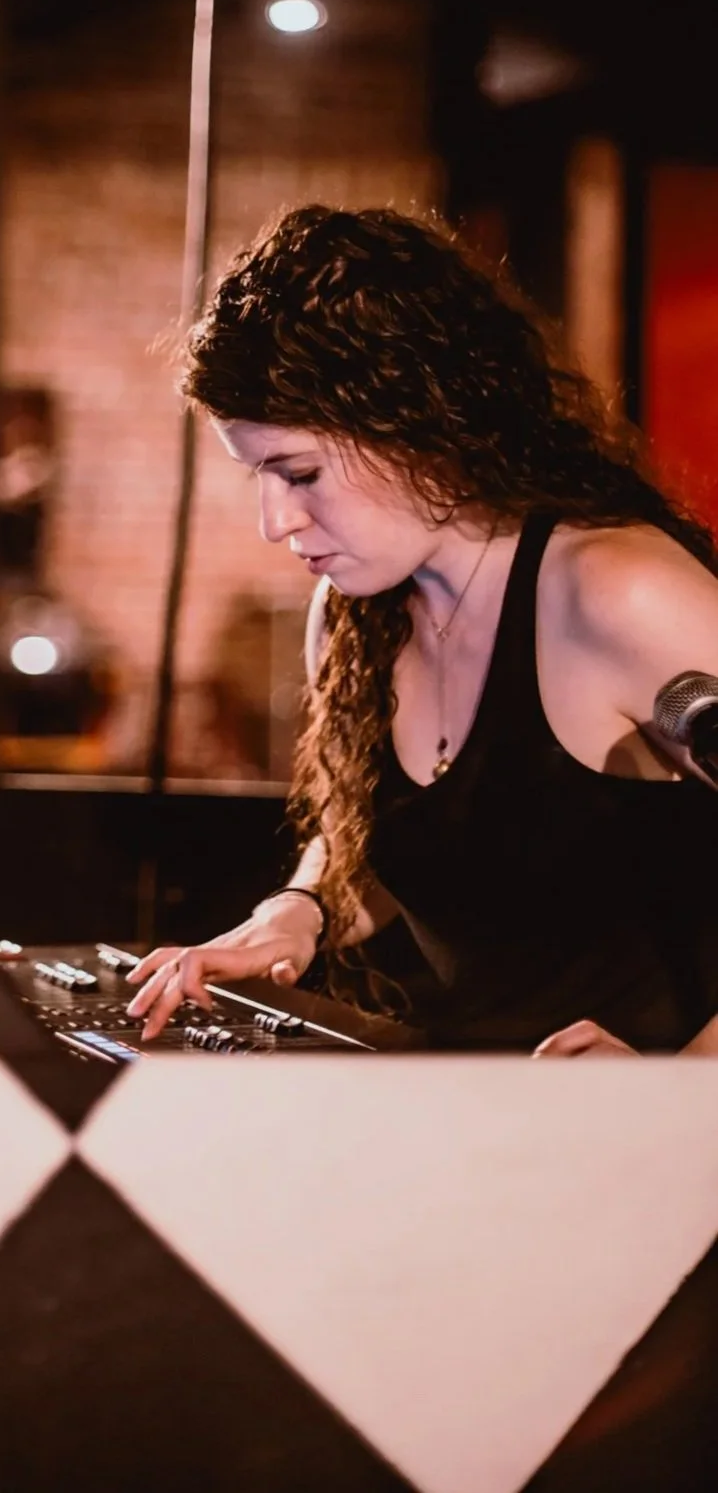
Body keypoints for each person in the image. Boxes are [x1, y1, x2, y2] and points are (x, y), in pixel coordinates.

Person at [126, 204, 718, 1058]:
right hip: (473, 1124)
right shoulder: (358, 615)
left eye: (299, 472)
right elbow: (384, 834)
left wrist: (687, 1078)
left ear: (421, 424)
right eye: (259, 476)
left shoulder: (617, 592)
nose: (274, 521)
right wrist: (299, 909)